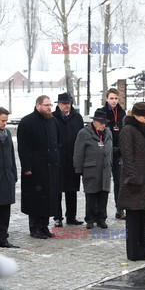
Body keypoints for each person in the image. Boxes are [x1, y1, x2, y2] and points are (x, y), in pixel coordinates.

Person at [118, 102, 145, 261]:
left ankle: (141, 250)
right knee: (133, 220)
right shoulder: (128, 130)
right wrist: (133, 177)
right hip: (134, 182)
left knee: (142, 218)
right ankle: (133, 252)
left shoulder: (142, 128)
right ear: (135, 115)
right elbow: (127, 156)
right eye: (144, 117)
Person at [17, 95, 60, 239]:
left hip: (50, 168)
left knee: (48, 199)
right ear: (38, 106)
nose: (49, 108)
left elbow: (56, 144)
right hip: (35, 169)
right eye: (46, 105)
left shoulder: (53, 121)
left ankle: (44, 226)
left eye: (50, 105)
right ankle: (35, 228)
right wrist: (27, 167)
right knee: (36, 199)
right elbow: (23, 147)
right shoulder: (27, 122)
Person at [73, 109, 113, 230]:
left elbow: (110, 151)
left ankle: (101, 218)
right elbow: (78, 153)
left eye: (104, 122)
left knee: (103, 194)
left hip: (105, 169)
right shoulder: (84, 133)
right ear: (94, 121)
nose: (103, 125)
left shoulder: (108, 133)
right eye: (100, 122)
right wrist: (78, 169)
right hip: (90, 169)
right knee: (91, 195)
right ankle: (90, 219)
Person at [52, 93, 85, 227]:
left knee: (72, 189)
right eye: (64, 103)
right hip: (58, 157)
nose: (66, 106)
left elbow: (82, 136)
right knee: (57, 190)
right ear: (58, 104)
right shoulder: (53, 118)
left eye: (68, 103)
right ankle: (57, 217)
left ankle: (71, 216)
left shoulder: (77, 117)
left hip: (73, 157)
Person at [100, 88, 126, 220]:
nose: (114, 101)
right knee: (103, 183)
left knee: (119, 182)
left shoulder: (122, 113)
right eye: (111, 98)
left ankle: (120, 209)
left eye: (116, 98)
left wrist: (121, 148)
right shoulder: (101, 112)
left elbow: (125, 132)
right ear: (106, 99)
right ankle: (101, 213)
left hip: (119, 152)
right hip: (105, 152)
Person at [0, 107, 19, 248]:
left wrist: (14, 175)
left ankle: (3, 238)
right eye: (2, 120)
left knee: (5, 209)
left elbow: (12, 156)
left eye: (6, 121)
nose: (5, 123)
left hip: (7, 177)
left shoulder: (6, 133)